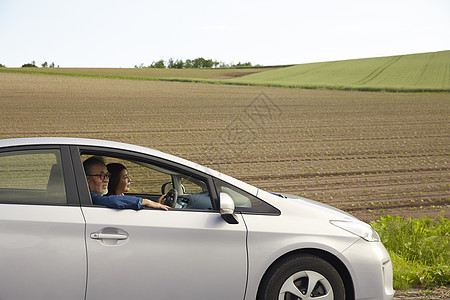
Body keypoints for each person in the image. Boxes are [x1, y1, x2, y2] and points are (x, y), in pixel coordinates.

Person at [83, 156, 169, 210]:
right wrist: (146, 202)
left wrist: (155, 204)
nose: (106, 180)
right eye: (101, 175)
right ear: (87, 180)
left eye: (107, 175)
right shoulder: (89, 198)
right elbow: (113, 201)